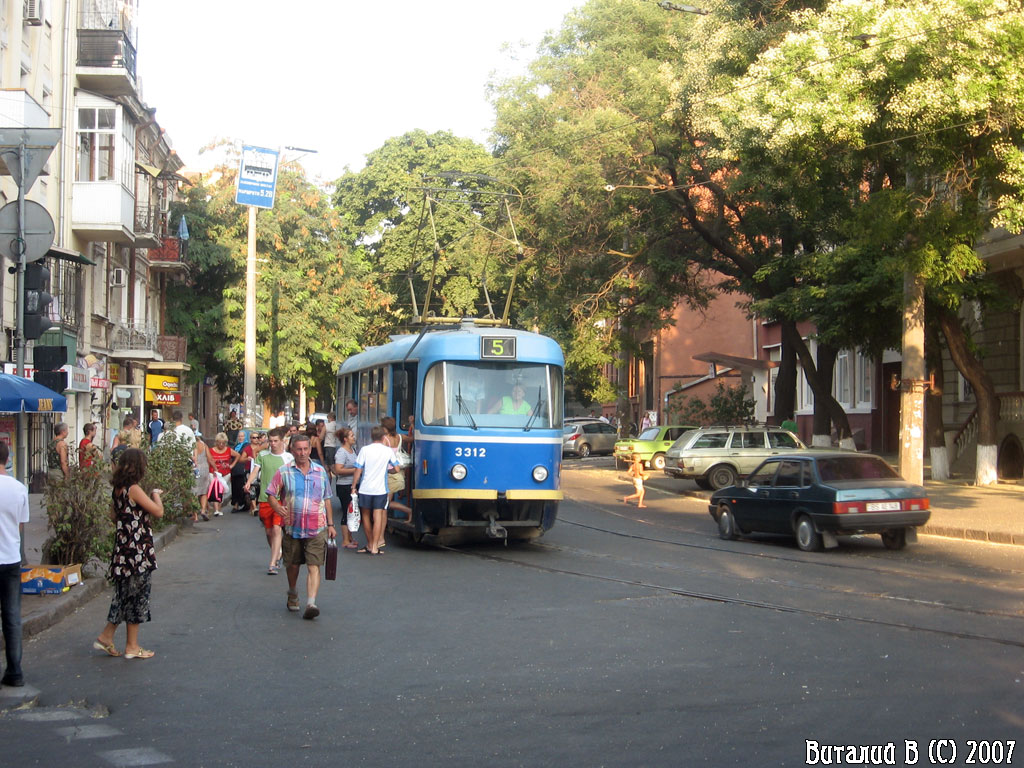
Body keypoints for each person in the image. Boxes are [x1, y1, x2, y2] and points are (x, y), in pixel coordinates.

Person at [93, 448, 164, 660]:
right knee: (137, 596)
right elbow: (158, 511)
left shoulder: (118, 489)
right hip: (138, 550)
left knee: (123, 594)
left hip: (123, 549)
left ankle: (107, 636)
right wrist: (156, 496)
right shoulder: (134, 489)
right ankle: (132, 646)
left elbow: (113, 516)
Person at [266, 434, 334, 620]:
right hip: (292, 528)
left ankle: (311, 602)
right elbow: (271, 493)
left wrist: (330, 524)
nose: (302, 453)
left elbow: (327, 498)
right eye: (299, 449)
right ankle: (293, 591)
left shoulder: (320, 472)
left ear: (309, 450)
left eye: (305, 449)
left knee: (314, 565)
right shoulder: (284, 471)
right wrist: (277, 508)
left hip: (316, 527)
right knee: (293, 565)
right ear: (292, 450)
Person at [0, 441, 29, 687]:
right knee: (11, 616)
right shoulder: (19, 488)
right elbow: (20, 525)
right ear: (7, 458)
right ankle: (15, 671)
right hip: (10, 557)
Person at [247, 427, 293, 574]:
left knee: (276, 528)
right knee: (268, 532)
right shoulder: (262, 455)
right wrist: (248, 482)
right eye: (270, 441)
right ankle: (277, 551)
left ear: (282, 441)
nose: (272, 444)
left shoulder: (288, 458)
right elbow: (255, 470)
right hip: (265, 498)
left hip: (281, 499)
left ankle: (272, 563)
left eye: (275, 441)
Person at [351, 425, 400, 556]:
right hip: (381, 489)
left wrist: (353, 485)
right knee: (377, 516)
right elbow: (396, 469)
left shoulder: (365, 450)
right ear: (384, 437)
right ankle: (375, 546)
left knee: (366, 516)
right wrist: (387, 470)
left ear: (371, 437)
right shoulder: (388, 451)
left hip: (365, 488)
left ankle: (369, 543)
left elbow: (358, 469)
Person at [380, 416, 412, 529]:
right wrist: (412, 424)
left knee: (385, 503)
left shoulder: (385, 439)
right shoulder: (400, 437)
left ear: (385, 428)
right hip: (398, 472)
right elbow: (411, 439)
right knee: (385, 502)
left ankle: (409, 511)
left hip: (389, 473)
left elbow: (381, 455)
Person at [332, 426, 359, 549]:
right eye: (352, 436)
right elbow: (338, 470)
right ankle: (345, 540)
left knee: (352, 512)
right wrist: (355, 470)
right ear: (345, 439)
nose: (354, 438)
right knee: (346, 511)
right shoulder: (341, 452)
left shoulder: (352, 450)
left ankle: (350, 537)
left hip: (352, 484)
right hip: (344, 486)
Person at [207, 432, 239, 517]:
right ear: (216, 442)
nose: (221, 444)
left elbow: (238, 455)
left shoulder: (228, 450)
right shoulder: (211, 451)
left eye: (223, 443)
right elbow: (209, 461)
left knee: (221, 491)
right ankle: (216, 509)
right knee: (215, 490)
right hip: (214, 473)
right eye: (219, 442)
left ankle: (219, 508)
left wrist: (231, 465)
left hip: (225, 474)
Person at [230, 430, 255, 513]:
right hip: (234, 469)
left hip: (242, 468)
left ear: (245, 437)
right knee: (234, 487)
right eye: (239, 436)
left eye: (242, 436)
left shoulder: (247, 446)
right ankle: (236, 504)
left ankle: (241, 504)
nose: (240, 438)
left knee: (241, 487)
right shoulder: (236, 446)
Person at [192, 434, 211, 522]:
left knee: (193, 492)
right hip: (204, 468)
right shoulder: (204, 445)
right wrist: (215, 468)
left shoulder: (191, 445)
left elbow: (193, 458)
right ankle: (203, 510)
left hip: (194, 469)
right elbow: (209, 458)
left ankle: (195, 516)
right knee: (204, 491)